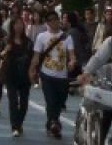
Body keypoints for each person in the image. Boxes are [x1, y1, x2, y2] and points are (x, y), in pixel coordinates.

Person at [29, 10, 76, 139]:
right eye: (50, 20)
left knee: (60, 101)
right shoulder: (41, 37)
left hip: (62, 74)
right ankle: (55, 123)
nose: (54, 22)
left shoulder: (66, 37)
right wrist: (32, 69)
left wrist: (72, 61)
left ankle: (51, 122)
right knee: (50, 100)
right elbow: (36, 56)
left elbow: (71, 54)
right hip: (47, 73)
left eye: (56, 19)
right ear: (47, 22)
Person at [2, 17, 33, 137]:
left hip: (25, 75)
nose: (19, 26)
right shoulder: (6, 41)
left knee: (24, 102)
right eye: (16, 24)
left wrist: (33, 72)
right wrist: (5, 50)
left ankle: (19, 122)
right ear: (12, 26)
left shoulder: (29, 42)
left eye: (21, 24)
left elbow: (33, 58)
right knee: (13, 101)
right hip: (11, 74)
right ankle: (15, 126)